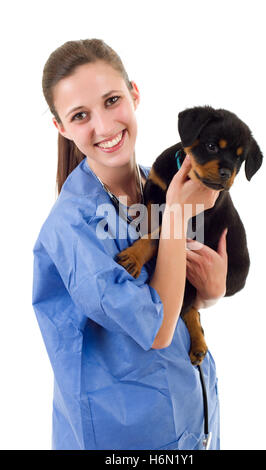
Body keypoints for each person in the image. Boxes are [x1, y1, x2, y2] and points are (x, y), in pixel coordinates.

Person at [32, 39, 228, 450]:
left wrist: (210, 293)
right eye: (80, 115)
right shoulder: (72, 225)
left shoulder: (158, 187)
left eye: (112, 100)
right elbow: (155, 327)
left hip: (192, 425)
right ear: (61, 128)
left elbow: (173, 298)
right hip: (122, 439)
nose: (104, 127)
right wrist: (176, 215)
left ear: (134, 94)